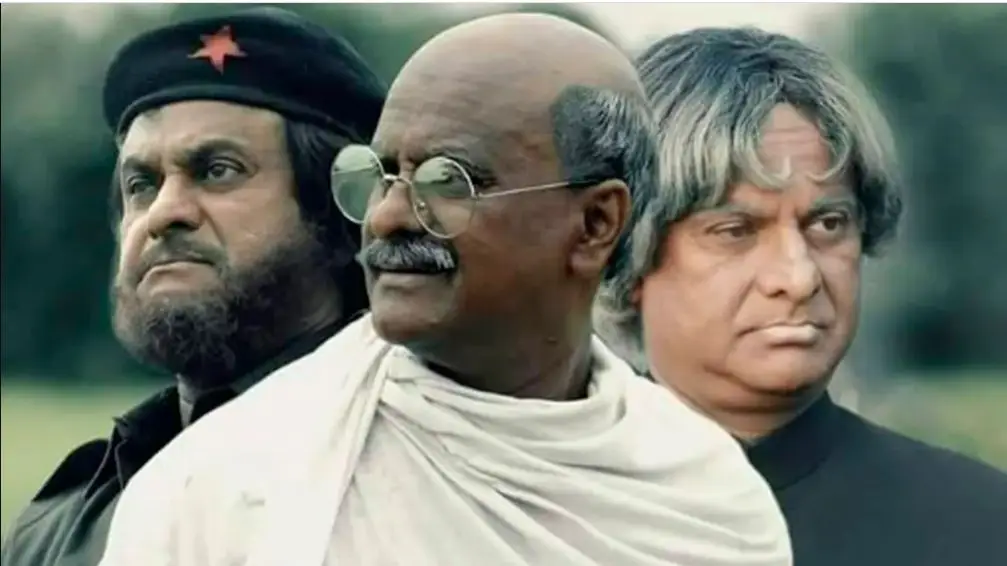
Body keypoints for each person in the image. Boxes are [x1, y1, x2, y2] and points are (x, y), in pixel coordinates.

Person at [96, 14, 792, 566]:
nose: (389, 217)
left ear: (594, 224)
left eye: (447, 182)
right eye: (382, 176)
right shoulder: (215, 489)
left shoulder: (708, 502)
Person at [595, 26, 1007, 566]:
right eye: (735, 230)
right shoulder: (533, 523)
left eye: (828, 223)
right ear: (628, 254)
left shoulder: (980, 524)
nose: (799, 276)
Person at [0, 7, 386, 566]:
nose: (163, 213)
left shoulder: (424, 472)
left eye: (217, 170)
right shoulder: (61, 529)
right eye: (141, 184)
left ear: (337, 216)